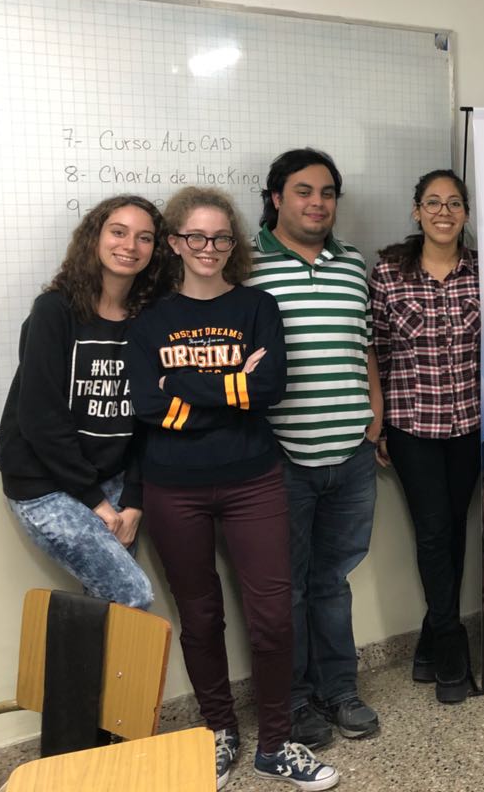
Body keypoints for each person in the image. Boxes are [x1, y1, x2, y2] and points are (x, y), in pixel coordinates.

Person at [124, 187, 339, 790]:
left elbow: (269, 388)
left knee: (272, 617)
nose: (209, 247)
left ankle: (276, 743)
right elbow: (147, 406)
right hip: (173, 487)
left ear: (233, 244)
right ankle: (219, 729)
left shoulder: (257, 306)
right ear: (174, 242)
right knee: (200, 617)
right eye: (196, 236)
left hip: (254, 480)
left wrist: (180, 386)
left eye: (221, 237)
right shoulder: (149, 321)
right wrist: (230, 389)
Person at [248, 148, 384, 748]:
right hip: (280, 458)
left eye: (327, 193)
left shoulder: (352, 264)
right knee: (288, 586)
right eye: (303, 191)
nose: (317, 203)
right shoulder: (245, 266)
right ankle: (295, 700)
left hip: (351, 454)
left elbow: (365, 346)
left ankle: (339, 690)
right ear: (276, 198)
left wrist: (374, 418)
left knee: (333, 580)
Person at [0, 195, 167, 610]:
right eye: (118, 232)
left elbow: (149, 418)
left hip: (112, 480)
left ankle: (82, 660)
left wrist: (134, 501)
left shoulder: (149, 319)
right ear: (95, 237)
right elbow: (40, 417)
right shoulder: (55, 310)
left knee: (108, 609)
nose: (130, 245)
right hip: (44, 482)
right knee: (131, 595)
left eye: (144, 237)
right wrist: (97, 502)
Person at [369, 169, 480, 704]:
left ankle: (431, 640)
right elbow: (376, 349)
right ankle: (452, 646)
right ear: (416, 211)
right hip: (413, 426)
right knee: (434, 532)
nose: (443, 212)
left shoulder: (483, 272)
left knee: (455, 530)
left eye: (454, 203)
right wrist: (379, 420)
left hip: (471, 425)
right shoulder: (389, 273)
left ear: (466, 213)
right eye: (433, 202)